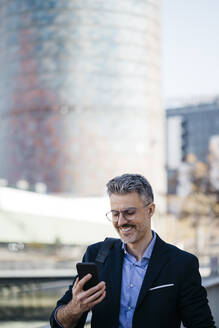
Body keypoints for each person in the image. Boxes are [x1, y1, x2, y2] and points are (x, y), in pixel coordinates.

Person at [50, 173, 215, 328]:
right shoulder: (96, 256)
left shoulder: (181, 264)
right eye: (115, 214)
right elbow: (58, 322)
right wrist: (75, 308)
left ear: (150, 210)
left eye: (129, 213)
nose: (121, 222)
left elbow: (201, 325)